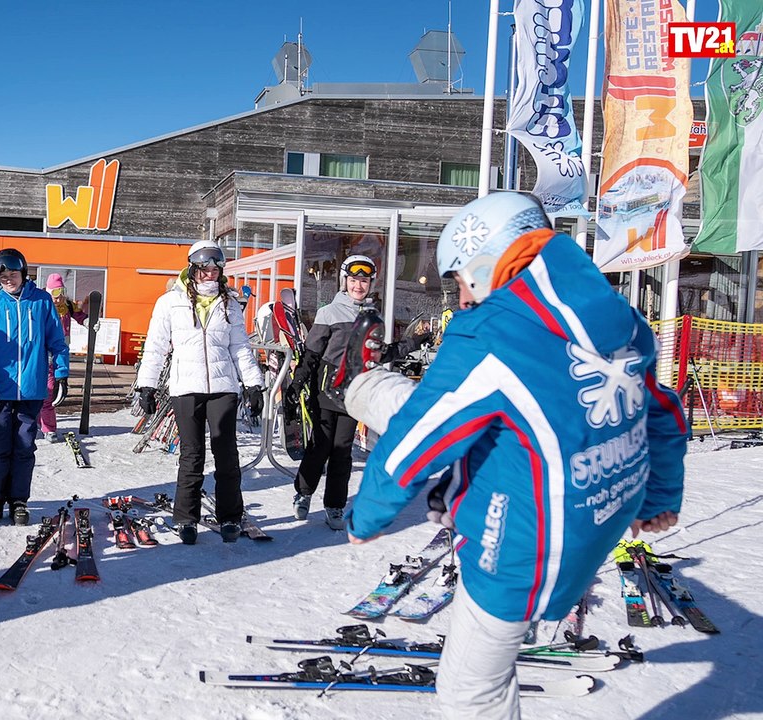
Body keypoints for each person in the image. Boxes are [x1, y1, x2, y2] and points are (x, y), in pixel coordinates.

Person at [344, 192, 687, 719]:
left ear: (487, 260)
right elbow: (660, 409)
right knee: (420, 404)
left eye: (459, 280)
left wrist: (367, 515)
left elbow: (419, 436)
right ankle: (371, 390)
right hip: (601, 507)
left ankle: (366, 389)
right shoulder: (614, 314)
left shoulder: (492, 330)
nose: (460, 299)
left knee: (469, 691)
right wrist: (657, 497)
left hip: (525, 544)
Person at [134, 240, 265, 544]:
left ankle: (230, 516)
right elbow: (155, 347)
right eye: (204, 268)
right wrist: (147, 385)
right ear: (192, 268)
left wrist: (253, 383)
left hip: (223, 388)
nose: (210, 274)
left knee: (227, 455)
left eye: (216, 269)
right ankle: (185, 518)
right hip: (186, 388)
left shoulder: (230, 303)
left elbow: (240, 347)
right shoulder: (169, 302)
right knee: (191, 455)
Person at [286, 255, 430, 530]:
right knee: (320, 446)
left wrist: (413, 342)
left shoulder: (372, 318)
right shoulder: (329, 313)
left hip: (354, 394)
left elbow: (380, 353)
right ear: (345, 282)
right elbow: (312, 353)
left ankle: (335, 506)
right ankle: (303, 493)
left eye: (364, 281)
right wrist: (298, 381)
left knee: (342, 451)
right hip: (326, 391)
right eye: (354, 280)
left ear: (370, 284)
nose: (358, 286)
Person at [0, 248, 71, 527]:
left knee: (24, 446)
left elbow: (56, 341)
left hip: (32, 388)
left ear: (23, 273)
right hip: (0, 389)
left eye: (12, 274)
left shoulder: (41, 301)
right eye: (2, 276)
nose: (8, 280)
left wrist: (61, 374)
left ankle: (18, 500)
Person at [38, 272, 87, 442]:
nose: (58, 299)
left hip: (60, 353)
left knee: (50, 391)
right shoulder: (42, 304)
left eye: (60, 293)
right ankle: (42, 424)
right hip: (42, 353)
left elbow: (79, 314)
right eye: (55, 294)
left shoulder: (67, 304)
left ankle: (46, 425)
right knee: (41, 391)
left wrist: (88, 321)